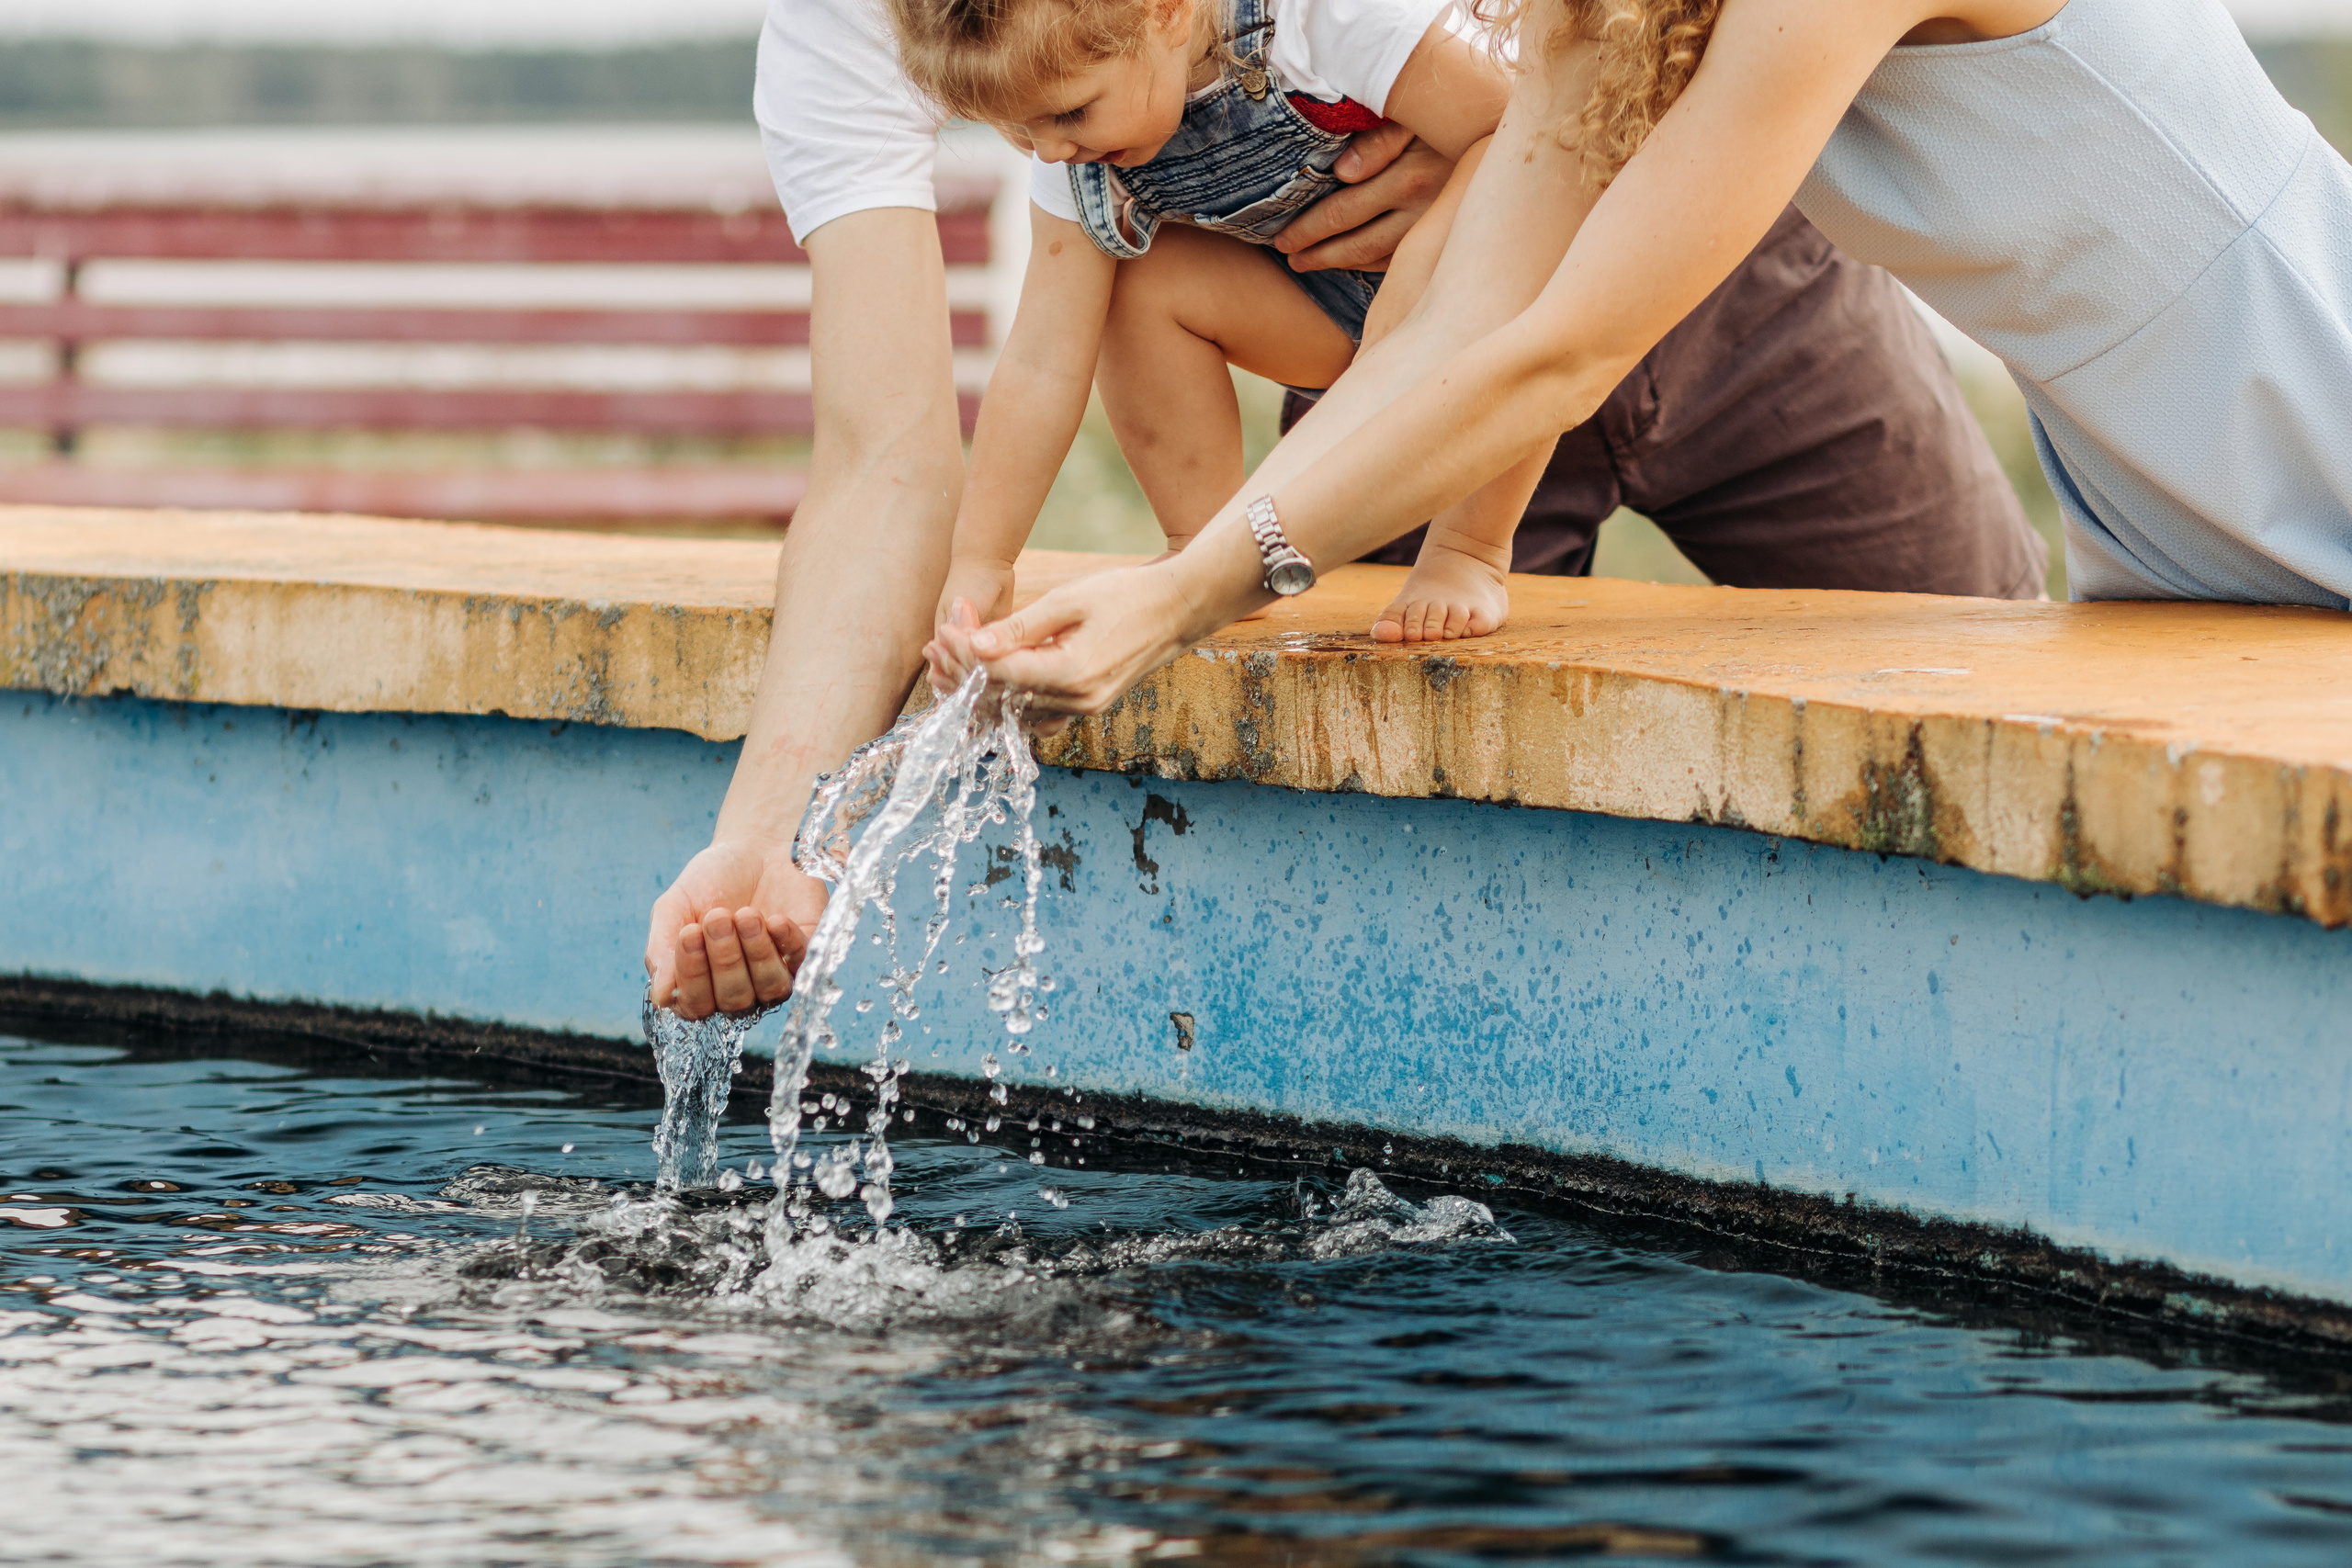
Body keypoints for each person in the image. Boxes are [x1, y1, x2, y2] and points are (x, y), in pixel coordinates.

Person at [650, 0, 2047, 1020]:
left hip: (1719, 264)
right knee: (1391, 774)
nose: (1036, 142)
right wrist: (774, 838)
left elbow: (1567, 93)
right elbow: (895, 441)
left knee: (1987, 668)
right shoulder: (912, 47)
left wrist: (1503, 163)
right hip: (1392, 365)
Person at [926, 0, 2352, 720]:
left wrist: (1186, 591)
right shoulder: (1604, 18)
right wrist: (1193, 571)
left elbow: (1561, 351)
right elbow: (1455, 330)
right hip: (2134, 467)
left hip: (2300, 371)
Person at [890, 0, 1529, 645]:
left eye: (1069, 113)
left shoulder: (1321, 19)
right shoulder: (1078, 150)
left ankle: (1469, 551)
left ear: (1166, 12)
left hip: (1480, 291)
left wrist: (1419, 298)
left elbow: (1524, 137)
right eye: (1019, 129)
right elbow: (1040, 360)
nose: (1051, 151)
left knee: (1520, 267)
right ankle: (1202, 547)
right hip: (1333, 312)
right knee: (1132, 276)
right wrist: (983, 559)